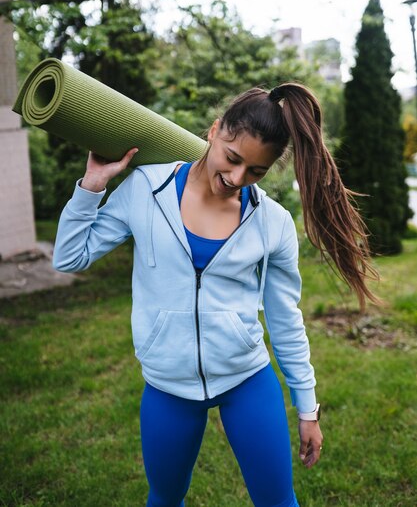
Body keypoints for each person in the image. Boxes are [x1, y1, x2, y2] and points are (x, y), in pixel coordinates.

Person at [53, 83, 380, 507]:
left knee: (278, 501)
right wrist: (91, 186)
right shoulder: (146, 188)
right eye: (233, 158)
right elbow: (69, 256)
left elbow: (285, 320)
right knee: (165, 499)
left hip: (246, 379)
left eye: (257, 172)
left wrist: (307, 408)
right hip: (168, 386)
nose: (237, 179)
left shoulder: (272, 223)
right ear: (214, 131)